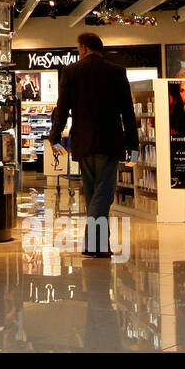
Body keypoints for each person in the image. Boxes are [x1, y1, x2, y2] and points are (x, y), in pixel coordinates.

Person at [49, 33, 138, 258]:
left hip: (83, 141)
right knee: (103, 194)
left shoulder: (71, 72)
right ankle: (95, 245)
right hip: (110, 141)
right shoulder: (117, 72)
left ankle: (96, 244)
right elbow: (128, 111)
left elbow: (62, 108)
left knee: (93, 193)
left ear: (83, 48)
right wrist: (133, 145)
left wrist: (55, 135)